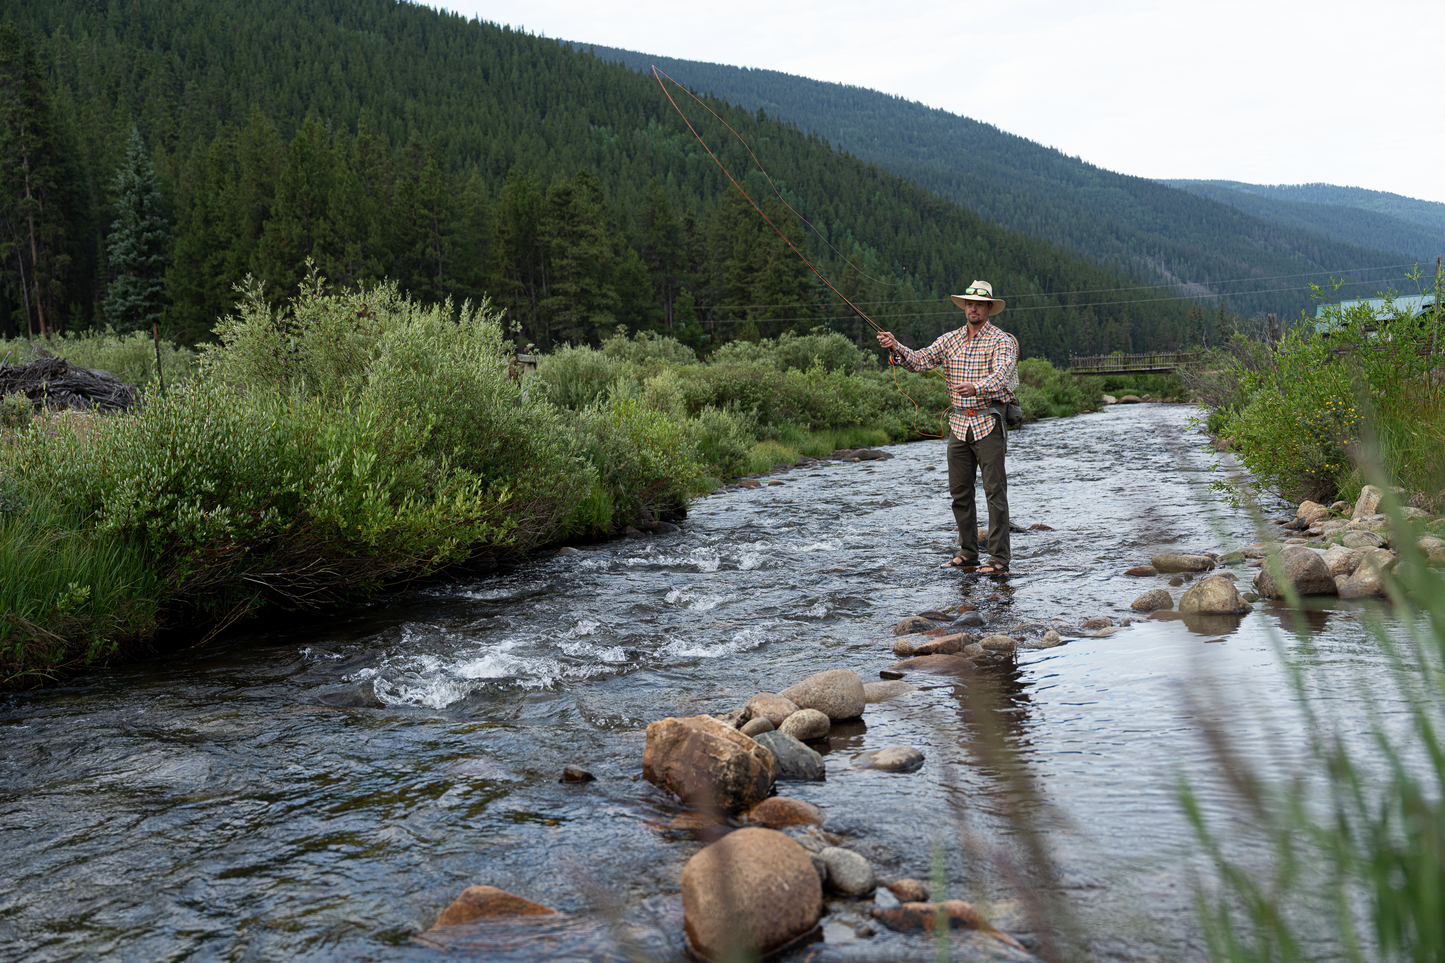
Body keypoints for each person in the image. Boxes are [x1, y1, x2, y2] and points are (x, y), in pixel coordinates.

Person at [876, 281, 1019, 574]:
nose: (973, 308)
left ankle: (999, 559)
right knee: (960, 493)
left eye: (979, 304)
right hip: (958, 424)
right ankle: (968, 553)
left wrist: (976, 387)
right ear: (964, 307)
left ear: (989, 308)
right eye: (969, 304)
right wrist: (895, 346)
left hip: (988, 421)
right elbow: (919, 360)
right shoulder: (950, 340)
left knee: (995, 492)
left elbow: (1002, 376)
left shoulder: (1001, 340)